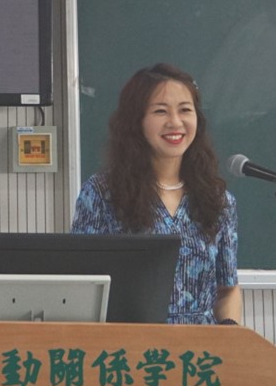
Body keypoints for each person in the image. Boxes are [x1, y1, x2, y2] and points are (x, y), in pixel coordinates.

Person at [71, 63, 240, 325]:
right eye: (161, 111)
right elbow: (81, 286)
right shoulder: (102, 193)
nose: (175, 122)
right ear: (136, 121)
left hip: (201, 345)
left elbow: (227, 289)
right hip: (131, 341)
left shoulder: (217, 199)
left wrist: (230, 334)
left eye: (185, 110)